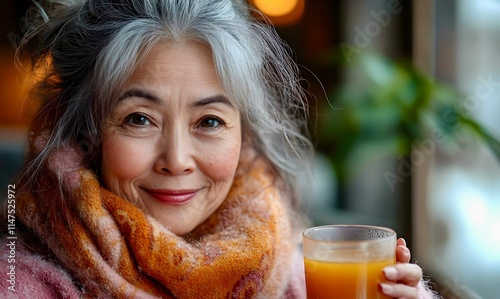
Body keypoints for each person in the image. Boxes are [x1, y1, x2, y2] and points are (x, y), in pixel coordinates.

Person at [0, 0, 439, 298]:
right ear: (87, 132)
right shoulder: (23, 281)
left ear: (245, 136)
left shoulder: (294, 276)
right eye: (139, 119)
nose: (176, 160)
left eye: (209, 122)